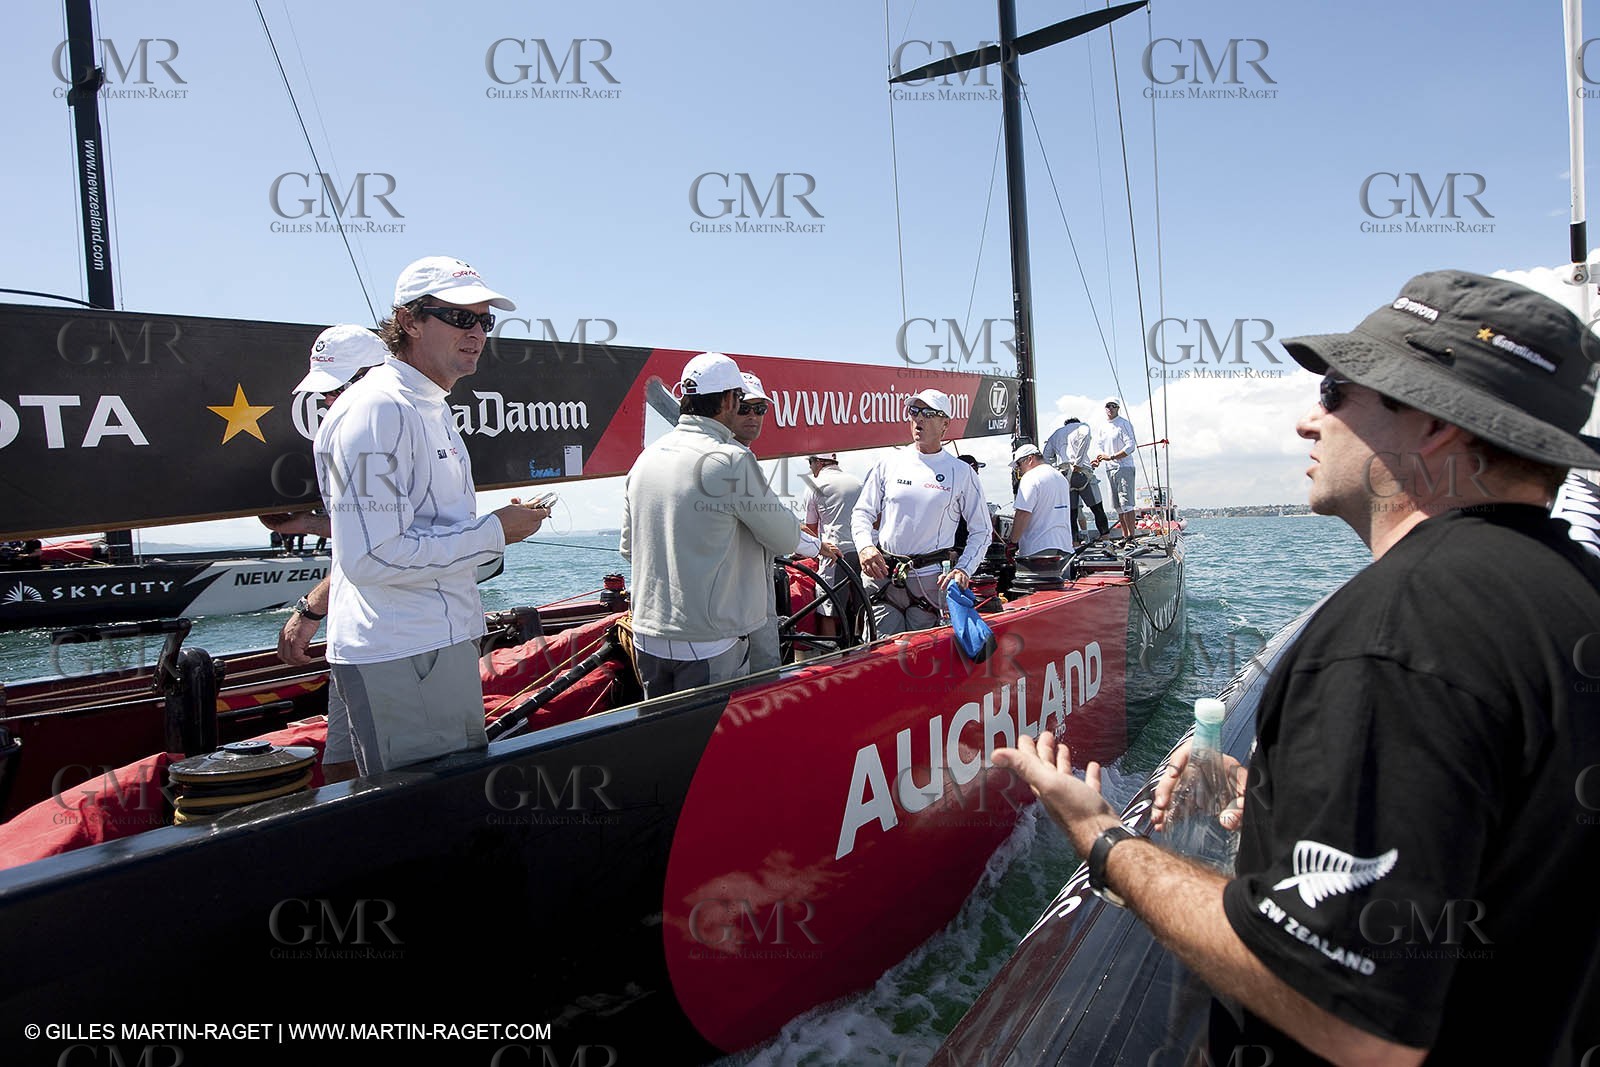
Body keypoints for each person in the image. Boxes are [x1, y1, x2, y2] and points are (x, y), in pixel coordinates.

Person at [995, 269, 1600, 1064]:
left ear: (1436, 422)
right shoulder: (1570, 595)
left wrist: (1099, 833)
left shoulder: (1398, 627)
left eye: (1339, 390)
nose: (1308, 422)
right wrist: (1296, 800)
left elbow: (1346, 1016)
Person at [313, 256, 550, 776]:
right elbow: (372, 557)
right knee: (423, 822)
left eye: (484, 320)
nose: (477, 332)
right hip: (405, 653)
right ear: (410, 321)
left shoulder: (427, 405)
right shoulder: (379, 410)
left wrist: (493, 529)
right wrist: (494, 532)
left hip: (432, 646)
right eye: (460, 317)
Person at [620, 354, 805, 697]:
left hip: (647, 636)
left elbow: (628, 548)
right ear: (728, 400)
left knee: (666, 743)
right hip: (707, 643)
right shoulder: (732, 459)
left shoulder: (646, 458)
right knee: (710, 746)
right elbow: (784, 538)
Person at [263, 323, 392, 783]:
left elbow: (381, 545)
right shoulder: (350, 434)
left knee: (375, 765)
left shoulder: (381, 430)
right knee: (340, 759)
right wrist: (310, 524)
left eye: (337, 390)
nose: (329, 402)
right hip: (353, 632)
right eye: (325, 394)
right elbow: (369, 528)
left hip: (384, 635)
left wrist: (310, 608)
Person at [851, 388, 991, 637]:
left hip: (931, 583)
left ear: (945, 423)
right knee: (881, 657)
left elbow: (982, 530)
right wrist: (865, 547)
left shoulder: (961, 472)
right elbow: (862, 512)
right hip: (885, 579)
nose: (919, 419)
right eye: (914, 411)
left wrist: (964, 569)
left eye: (928, 413)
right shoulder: (888, 463)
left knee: (925, 662)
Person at [728, 371, 831, 672]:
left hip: (728, 608)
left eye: (760, 409)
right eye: (745, 408)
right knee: (762, 679)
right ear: (726, 407)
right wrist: (820, 548)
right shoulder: (737, 461)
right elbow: (783, 533)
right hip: (743, 608)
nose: (753, 416)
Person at [802, 451, 863, 645]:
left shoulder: (814, 485)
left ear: (818, 463)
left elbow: (810, 529)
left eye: (810, 464)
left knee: (828, 606)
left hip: (835, 553)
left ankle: (829, 653)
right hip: (862, 550)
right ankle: (862, 647)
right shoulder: (857, 482)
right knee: (861, 604)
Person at [1043, 415, 1111, 543]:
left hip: (1064, 475)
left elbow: (1046, 456)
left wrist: (1054, 470)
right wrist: (1078, 463)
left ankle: (1074, 543)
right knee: (1097, 508)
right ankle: (1106, 540)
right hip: (1082, 473)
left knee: (1072, 513)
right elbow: (1085, 436)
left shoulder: (1056, 434)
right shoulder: (1082, 427)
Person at [1007, 443, 1074, 557]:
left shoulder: (1030, 477)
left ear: (1030, 459)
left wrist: (1012, 542)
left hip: (1039, 549)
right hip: (1065, 547)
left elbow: (1023, 513)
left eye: (1019, 465)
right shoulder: (1060, 477)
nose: (1019, 470)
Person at [1092, 398, 1139, 542]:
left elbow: (1130, 446)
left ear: (1118, 408)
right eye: (1108, 406)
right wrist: (1099, 459)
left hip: (1124, 467)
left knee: (1127, 504)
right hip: (1109, 469)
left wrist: (1112, 456)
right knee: (1118, 506)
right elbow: (1100, 446)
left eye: (1113, 406)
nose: (1110, 408)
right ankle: (1125, 536)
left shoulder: (1123, 424)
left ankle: (1131, 537)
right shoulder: (1102, 427)